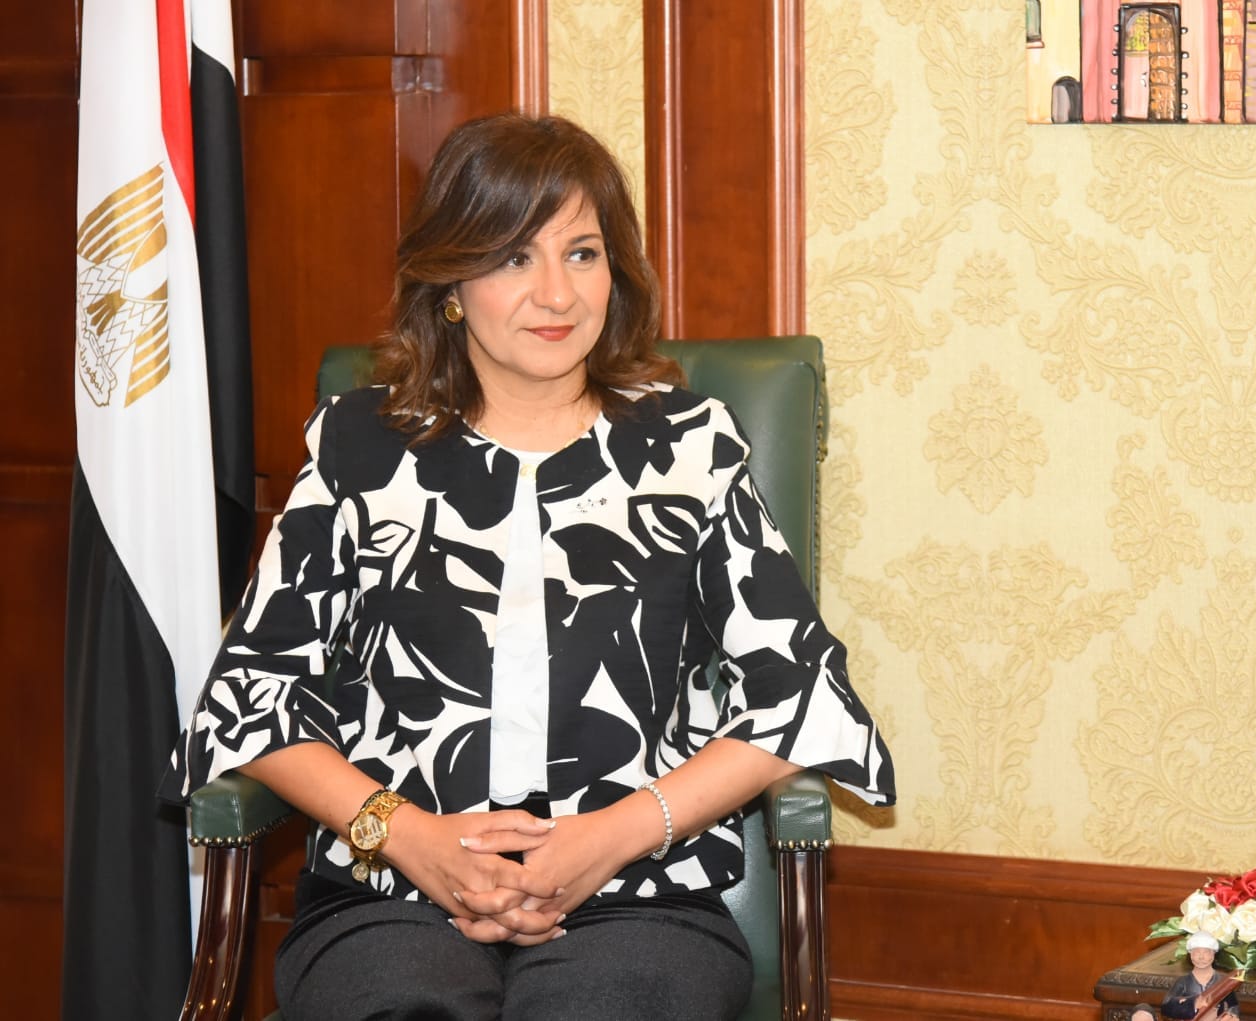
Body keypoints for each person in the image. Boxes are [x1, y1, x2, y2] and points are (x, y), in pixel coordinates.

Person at [164, 112, 895, 1020]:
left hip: (640, 896)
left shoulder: (689, 447)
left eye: (582, 254)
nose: (556, 293)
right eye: (514, 257)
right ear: (450, 283)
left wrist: (609, 839)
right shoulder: (360, 448)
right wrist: (412, 839)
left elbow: (803, 694)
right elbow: (251, 695)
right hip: (388, 894)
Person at [1160, 931, 1240, 1018]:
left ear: (1213, 954)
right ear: (1191, 955)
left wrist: (1231, 1015)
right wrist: (1193, 1003)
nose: (1201, 957)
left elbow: (1233, 1005)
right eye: (1197, 952)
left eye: (1206, 952)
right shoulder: (1183, 982)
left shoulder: (1222, 981)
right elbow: (1167, 1006)